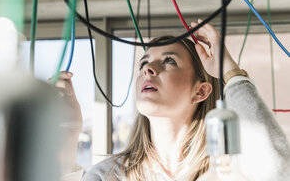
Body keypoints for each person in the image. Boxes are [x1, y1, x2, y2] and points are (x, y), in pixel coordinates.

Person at [55, 20, 290, 181]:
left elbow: (279, 171)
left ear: (200, 91)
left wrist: (231, 72)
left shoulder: (228, 170)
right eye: (143, 64)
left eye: (169, 61)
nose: (149, 70)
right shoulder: (107, 175)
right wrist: (67, 137)